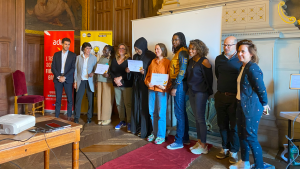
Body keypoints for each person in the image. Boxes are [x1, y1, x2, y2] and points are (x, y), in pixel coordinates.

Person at [229, 40, 270, 169]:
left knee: (251, 138)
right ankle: (244, 162)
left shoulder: (253, 68)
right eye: (239, 51)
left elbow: (261, 89)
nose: (240, 54)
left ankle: (259, 167)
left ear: (251, 53)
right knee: (241, 135)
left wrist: (265, 104)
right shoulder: (243, 66)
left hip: (251, 108)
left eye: (243, 51)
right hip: (241, 105)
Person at [215, 36, 241, 163]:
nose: (226, 47)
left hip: (235, 98)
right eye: (224, 45)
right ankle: (224, 148)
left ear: (235, 45)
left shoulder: (240, 59)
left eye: (229, 45)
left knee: (234, 127)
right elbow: (217, 75)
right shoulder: (219, 59)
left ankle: (234, 151)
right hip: (220, 96)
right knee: (222, 124)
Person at [186, 39, 213, 154]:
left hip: (201, 93)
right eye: (190, 48)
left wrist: (207, 94)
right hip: (191, 92)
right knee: (197, 119)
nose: (190, 50)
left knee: (200, 119)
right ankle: (199, 141)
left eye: (193, 48)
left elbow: (209, 80)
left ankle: (204, 145)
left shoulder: (204, 61)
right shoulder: (190, 61)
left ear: (199, 49)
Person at [126, 37, 156, 138]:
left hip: (145, 85)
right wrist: (129, 71)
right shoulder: (135, 56)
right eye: (135, 49)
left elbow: (153, 71)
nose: (137, 51)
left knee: (144, 107)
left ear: (143, 46)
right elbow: (133, 69)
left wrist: (145, 72)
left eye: (138, 48)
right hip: (136, 84)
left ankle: (145, 131)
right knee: (136, 106)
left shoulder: (150, 55)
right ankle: (136, 128)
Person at [167, 32, 190, 150]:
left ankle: (179, 141)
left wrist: (175, 86)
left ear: (182, 40)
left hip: (179, 85)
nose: (174, 42)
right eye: (173, 40)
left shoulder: (183, 52)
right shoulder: (178, 52)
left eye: (176, 40)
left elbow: (182, 70)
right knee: (181, 112)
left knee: (179, 112)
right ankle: (185, 137)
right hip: (177, 83)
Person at [144, 43, 171, 144]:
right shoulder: (152, 62)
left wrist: (165, 87)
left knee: (161, 113)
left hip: (162, 91)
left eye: (158, 49)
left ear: (163, 50)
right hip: (151, 89)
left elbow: (170, 77)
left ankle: (161, 135)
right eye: (155, 49)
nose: (156, 51)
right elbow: (147, 76)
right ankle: (154, 133)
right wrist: (148, 83)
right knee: (152, 112)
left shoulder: (167, 62)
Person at [109, 43, 133, 132]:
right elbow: (111, 71)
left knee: (128, 104)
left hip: (126, 85)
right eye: (119, 48)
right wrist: (115, 79)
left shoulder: (129, 60)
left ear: (126, 50)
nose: (121, 49)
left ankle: (129, 122)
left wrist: (121, 78)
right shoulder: (114, 60)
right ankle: (122, 121)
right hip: (116, 85)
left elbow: (130, 73)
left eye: (123, 48)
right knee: (119, 103)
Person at [51, 37, 76, 120]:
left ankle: (69, 117)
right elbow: (53, 67)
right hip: (58, 79)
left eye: (69, 44)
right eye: (66, 44)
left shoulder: (73, 55)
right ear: (62, 44)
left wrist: (64, 77)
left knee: (70, 99)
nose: (67, 46)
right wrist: (59, 77)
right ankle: (56, 117)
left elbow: (73, 68)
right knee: (58, 99)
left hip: (68, 79)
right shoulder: (56, 54)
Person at [74, 42, 97, 123]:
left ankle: (89, 117)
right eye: (87, 48)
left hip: (90, 81)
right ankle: (76, 117)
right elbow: (76, 70)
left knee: (90, 100)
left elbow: (95, 70)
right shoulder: (78, 57)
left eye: (90, 48)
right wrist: (75, 81)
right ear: (83, 49)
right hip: (81, 81)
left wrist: (93, 73)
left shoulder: (94, 58)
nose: (89, 50)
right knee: (78, 100)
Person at [96, 45, 115, 125]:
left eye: (105, 50)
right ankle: (100, 117)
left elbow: (114, 70)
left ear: (110, 51)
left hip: (108, 82)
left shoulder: (112, 59)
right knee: (100, 99)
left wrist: (109, 75)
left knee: (106, 100)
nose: (103, 52)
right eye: (103, 50)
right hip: (100, 80)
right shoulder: (101, 58)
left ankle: (107, 118)